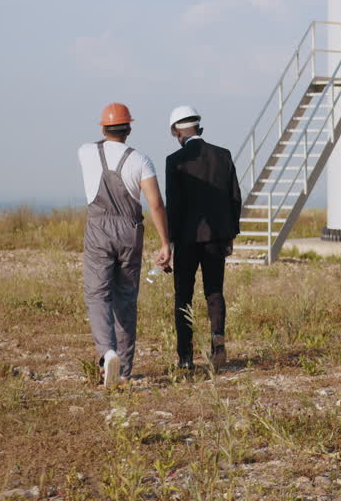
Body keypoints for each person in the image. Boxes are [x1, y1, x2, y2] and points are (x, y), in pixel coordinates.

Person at [77, 103, 170, 386]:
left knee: (98, 295)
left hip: (99, 229)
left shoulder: (86, 152)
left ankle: (107, 354)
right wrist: (166, 243)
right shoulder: (142, 160)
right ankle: (125, 370)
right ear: (129, 129)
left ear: (104, 128)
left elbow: (97, 147)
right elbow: (155, 203)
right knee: (126, 300)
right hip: (130, 231)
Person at [161, 105, 242, 369]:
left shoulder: (174, 161)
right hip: (217, 237)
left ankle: (185, 357)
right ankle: (217, 338)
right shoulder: (223, 155)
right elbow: (234, 198)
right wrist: (230, 234)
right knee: (214, 291)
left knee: (183, 295)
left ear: (176, 132)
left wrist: (169, 243)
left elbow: (172, 205)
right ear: (200, 128)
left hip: (186, 238)